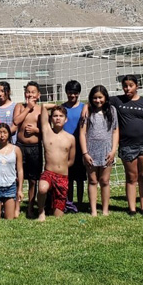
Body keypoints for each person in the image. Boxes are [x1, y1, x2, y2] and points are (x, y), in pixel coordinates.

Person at [110, 75, 143, 216]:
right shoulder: (117, 101)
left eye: (130, 85)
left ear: (137, 86)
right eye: (125, 86)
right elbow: (98, 99)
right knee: (131, 177)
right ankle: (132, 209)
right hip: (126, 146)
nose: (127, 88)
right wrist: (86, 108)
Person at [79, 85, 118, 217]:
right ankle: (94, 210)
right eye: (95, 98)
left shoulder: (112, 111)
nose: (98, 100)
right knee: (92, 180)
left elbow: (115, 131)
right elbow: (82, 133)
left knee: (105, 181)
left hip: (107, 151)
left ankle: (105, 209)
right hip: (91, 151)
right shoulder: (87, 111)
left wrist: (113, 150)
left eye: (100, 97)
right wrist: (85, 153)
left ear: (105, 97)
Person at [36, 103, 76, 221]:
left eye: (61, 116)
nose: (58, 118)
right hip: (48, 173)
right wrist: (56, 105)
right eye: (55, 116)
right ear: (51, 118)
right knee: (42, 188)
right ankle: (41, 211)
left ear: (66, 119)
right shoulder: (47, 131)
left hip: (62, 176)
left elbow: (71, 160)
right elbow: (43, 107)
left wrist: (62, 167)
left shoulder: (70, 138)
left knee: (57, 215)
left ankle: (51, 204)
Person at [13, 82, 44, 217]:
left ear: (38, 95)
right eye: (28, 92)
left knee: (33, 179)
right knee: (18, 178)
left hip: (35, 148)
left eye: (33, 92)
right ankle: (17, 206)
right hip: (20, 147)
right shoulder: (20, 107)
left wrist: (36, 130)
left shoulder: (41, 110)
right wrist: (28, 108)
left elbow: (46, 131)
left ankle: (31, 206)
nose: (30, 94)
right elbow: (16, 122)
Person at [62, 80, 87, 213]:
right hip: (66, 148)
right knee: (69, 177)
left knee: (80, 178)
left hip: (80, 147)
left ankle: (80, 202)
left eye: (75, 93)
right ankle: (69, 202)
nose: (72, 96)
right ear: (66, 93)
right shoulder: (62, 108)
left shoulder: (84, 107)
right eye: (70, 93)